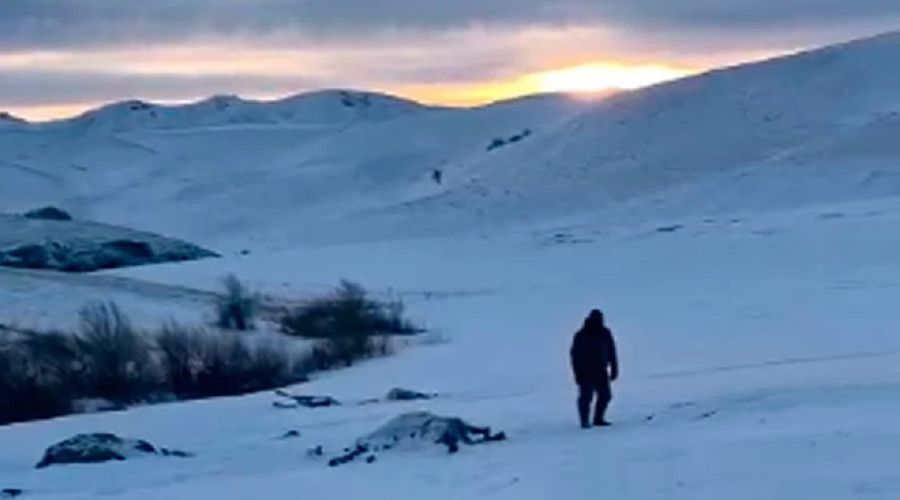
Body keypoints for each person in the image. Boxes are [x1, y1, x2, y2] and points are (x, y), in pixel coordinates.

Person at [570, 309, 619, 428]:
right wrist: (577, 373)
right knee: (586, 397)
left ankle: (598, 418)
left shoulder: (605, 333)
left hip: (601, 370)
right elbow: (574, 355)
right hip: (585, 371)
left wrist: (614, 368)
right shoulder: (581, 335)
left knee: (605, 396)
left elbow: (612, 351)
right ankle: (584, 421)